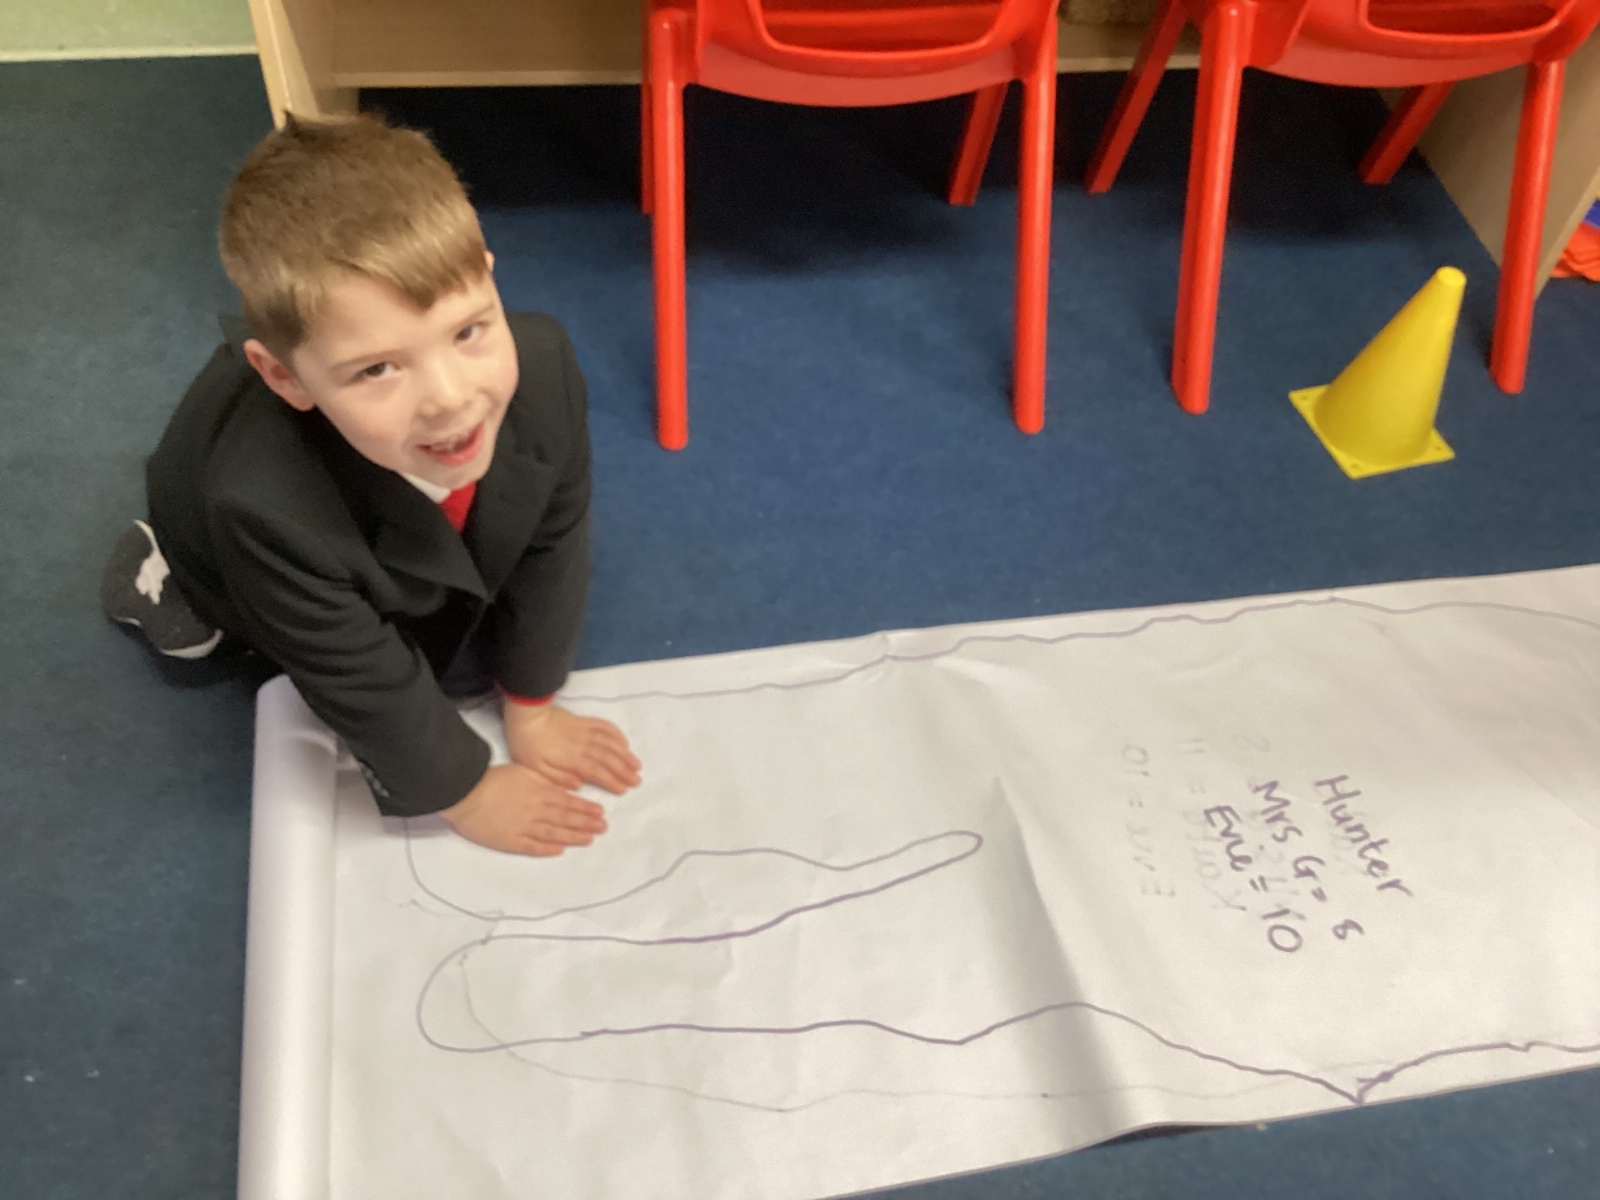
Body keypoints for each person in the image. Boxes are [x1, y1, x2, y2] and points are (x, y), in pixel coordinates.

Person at [100, 111, 640, 857]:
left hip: (370, 523)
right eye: (378, 368)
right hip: (231, 544)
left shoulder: (543, 364)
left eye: (468, 330)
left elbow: (556, 540)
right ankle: (162, 570)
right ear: (284, 377)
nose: (451, 397)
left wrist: (532, 704)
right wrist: (465, 788)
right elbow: (354, 674)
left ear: (488, 274)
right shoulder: (261, 503)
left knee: (437, 600)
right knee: (255, 619)